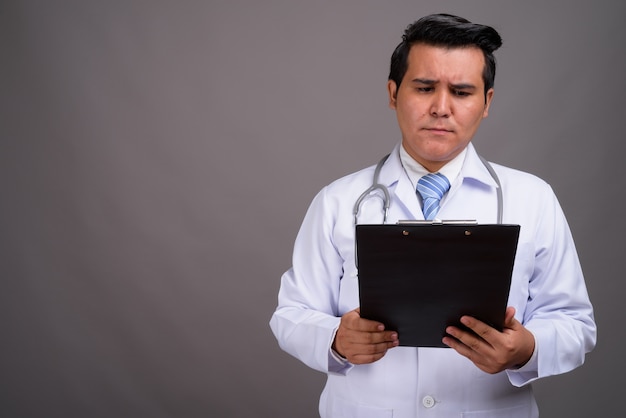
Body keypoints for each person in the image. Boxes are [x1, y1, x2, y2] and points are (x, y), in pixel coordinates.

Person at [269, 13, 596, 418]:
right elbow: (291, 315)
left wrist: (527, 349)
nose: (441, 108)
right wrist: (335, 339)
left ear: (486, 102)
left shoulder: (534, 199)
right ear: (393, 93)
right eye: (424, 88)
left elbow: (575, 324)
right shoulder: (338, 200)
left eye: (461, 92)